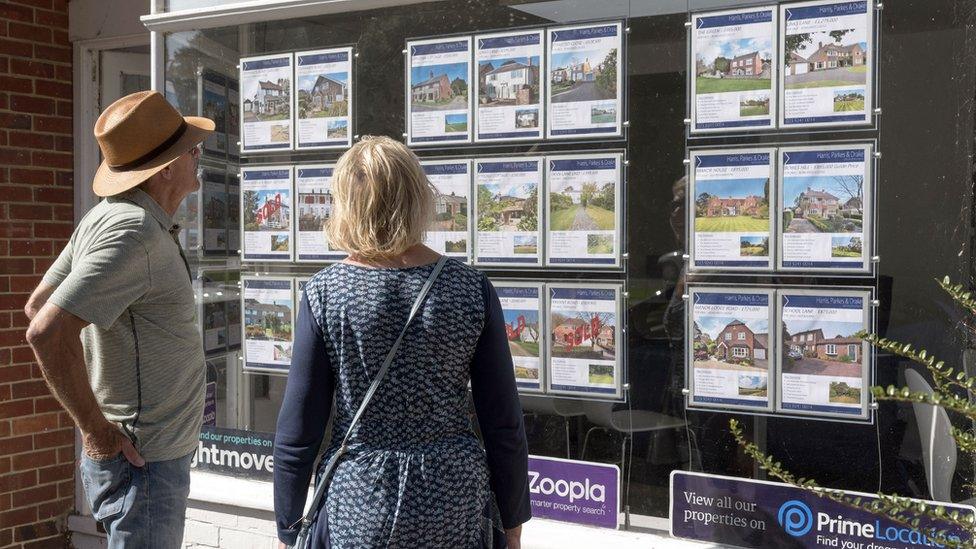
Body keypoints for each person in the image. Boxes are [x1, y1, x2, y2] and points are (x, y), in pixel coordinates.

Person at [273, 136, 531, 548]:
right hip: (454, 497)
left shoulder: (326, 293)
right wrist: (513, 521)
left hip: (361, 498)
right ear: (417, 196)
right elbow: (502, 421)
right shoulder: (469, 288)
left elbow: (299, 426)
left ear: (347, 203)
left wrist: (288, 526)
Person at [24, 91, 214, 548]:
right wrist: (96, 430)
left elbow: (38, 305)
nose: (198, 156)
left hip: (143, 462)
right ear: (166, 167)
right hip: (143, 466)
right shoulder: (132, 232)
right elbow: (45, 328)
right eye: (192, 149)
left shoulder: (109, 219)